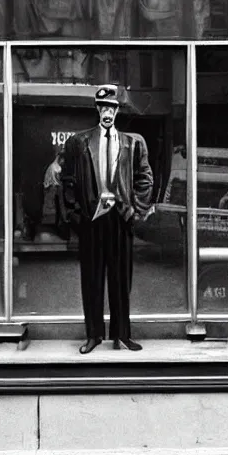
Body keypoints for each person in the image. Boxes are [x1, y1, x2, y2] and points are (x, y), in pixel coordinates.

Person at [62, 84, 154, 354]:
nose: (107, 112)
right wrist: (77, 214)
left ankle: (122, 335)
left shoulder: (133, 142)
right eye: (103, 107)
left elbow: (145, 177)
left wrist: (135, 210)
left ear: (117, 111)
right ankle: (93, 335)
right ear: (97, 110)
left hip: (120, 218)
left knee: (120, 278)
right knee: (91, 279)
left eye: (111, 108)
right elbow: (67, 181)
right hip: (92, 218)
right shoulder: (79, 142)